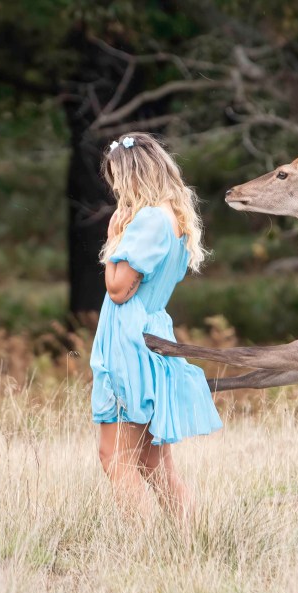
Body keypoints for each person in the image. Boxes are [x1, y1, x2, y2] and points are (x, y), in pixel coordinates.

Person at [90, 133, 222, 520]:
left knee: (115, 456)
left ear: (133, 175)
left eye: (117, 177)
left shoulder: (148, 221)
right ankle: (187, 539)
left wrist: (114, 239)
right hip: (152, 330)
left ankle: (144, 547)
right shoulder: (174, 218)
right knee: (153, 461)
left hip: (130, 341)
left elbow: (117, 290)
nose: (116, 188)